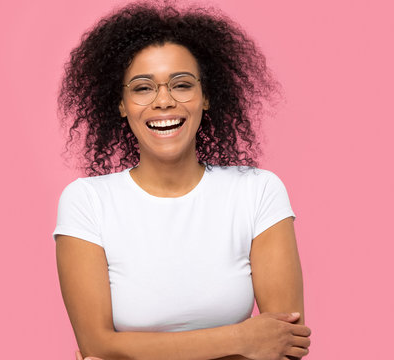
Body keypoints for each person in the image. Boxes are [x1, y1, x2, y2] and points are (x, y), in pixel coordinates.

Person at [54, 1, 311, 359]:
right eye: (143, 88)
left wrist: (127, 352)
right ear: (121, 104)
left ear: (207, 97)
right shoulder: (87, 202)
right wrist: (241, 340)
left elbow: (285, 345)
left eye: (182, 84)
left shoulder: (257, 191)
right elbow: (96, 344)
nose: (164, 101)